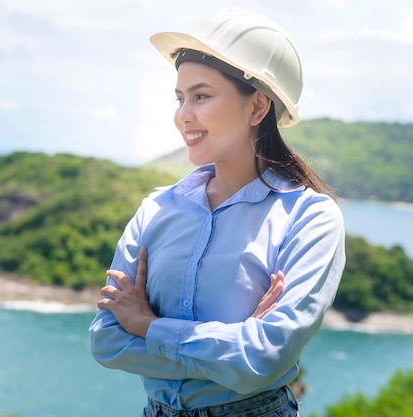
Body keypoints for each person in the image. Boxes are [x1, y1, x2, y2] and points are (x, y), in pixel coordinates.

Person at [89, 8, 346, 417]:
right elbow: (106, 341)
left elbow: (265, 359)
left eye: (201, 96)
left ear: (258, 107)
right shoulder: (156, 209)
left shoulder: (310, 218)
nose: (182, 115)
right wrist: (236, 345)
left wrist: (148, 326)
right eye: (180, 98)